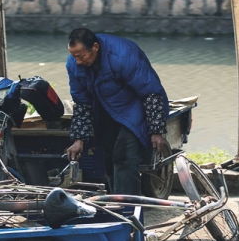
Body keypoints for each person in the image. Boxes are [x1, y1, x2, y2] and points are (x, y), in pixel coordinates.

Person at [65, 28, 168, 195]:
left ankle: (129, 210)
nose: (77, 61)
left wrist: (156, 130)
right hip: (106, 109)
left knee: (124, 157)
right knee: (107, 157)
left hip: (134, 107)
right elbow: (82, 103)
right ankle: (115, 203)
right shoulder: (73, 65)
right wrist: (79, 139)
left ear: (95, 47)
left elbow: (150, 91)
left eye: (81, 56)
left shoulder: (123, 55)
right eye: (73, 56)